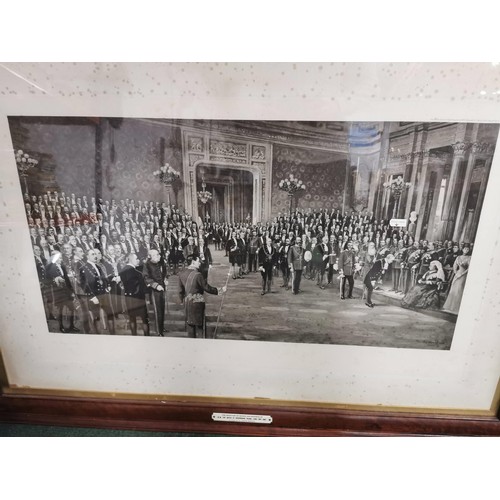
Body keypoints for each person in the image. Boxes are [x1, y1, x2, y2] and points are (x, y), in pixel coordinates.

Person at [178, 254, 226, 338]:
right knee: (200, 327)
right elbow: (207, 288)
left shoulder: (181, 273)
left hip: (187, 303)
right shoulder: (198, 275)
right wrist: (220, 290)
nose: (200, 263)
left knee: (190, 326)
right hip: (197, 303)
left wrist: (182, 301)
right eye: (198, 261)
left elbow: (180, 291)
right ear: (193, 262)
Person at [80, 248, 114, 334]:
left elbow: (103, 278)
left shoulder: (98, 266)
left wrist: (107, 286)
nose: (95, 256)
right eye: (92, 254)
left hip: (103, 294)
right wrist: (92, 296)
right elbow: (84, 284)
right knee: (96, 317)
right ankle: (98, 336)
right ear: (87, 256)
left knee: (110, 315)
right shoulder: (84, 268)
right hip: (94, 296)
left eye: (95, 254)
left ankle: (113, 335)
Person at [46, 250, 79, 333]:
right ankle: (61, 327)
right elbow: (48, 280)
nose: (61, 259)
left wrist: (71, 290)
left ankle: (71, 326)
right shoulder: (50, 267)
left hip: (66, 292)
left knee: (71, 308)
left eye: (61, 257)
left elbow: (67, 280)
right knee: (60, 310)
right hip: (58, 293)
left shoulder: (62, 266)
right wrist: (55, 280)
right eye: (59, 257)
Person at [119, 253, 150, 336]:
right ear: (131, 259)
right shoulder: (135, 271)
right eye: (136, 259)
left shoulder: (123, 270)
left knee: (132, 319)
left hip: (128, 298)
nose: (138, 260)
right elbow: (141, 286)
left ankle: (134, 337)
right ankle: (147, 338)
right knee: (144, 319)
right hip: (139, 298)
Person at [143, 248, 169, 336]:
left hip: (162, 289)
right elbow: (146, 278)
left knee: (162, 308)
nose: (159, 256)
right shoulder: (147, 265)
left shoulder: (161, 262)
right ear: (152, 256)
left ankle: (161, 327)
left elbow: (165, 272)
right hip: (154, 291)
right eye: (157, 255)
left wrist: (166, 279)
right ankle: (159, 331)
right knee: (157, 310)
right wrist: (156, 286)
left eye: (159, 254)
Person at [442, 244, 471, 314]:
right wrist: (456, 273)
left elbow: (469, 268)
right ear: (462, 249)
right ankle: (449, 307)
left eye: (467, 249)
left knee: (459, 288)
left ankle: (457, 308)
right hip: (457, 274)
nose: (466, 250)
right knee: (454, 288)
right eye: (465, 249)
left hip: (463, 274)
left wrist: (461, 274)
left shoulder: (469, 257)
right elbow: (455, 266)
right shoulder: (458, 257)